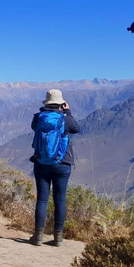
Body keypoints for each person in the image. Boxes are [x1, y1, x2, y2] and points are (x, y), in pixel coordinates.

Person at [29, 89, 80, 247]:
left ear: (46, 102)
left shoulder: (38, 118)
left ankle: (38, 236)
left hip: (41, 163)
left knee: (42, 200)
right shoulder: (66, 119)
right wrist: (68, 112)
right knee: (60, 200)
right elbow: (76, 129)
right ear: (61, 103)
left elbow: (33, 128)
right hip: (62, 164)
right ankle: (58, 237)